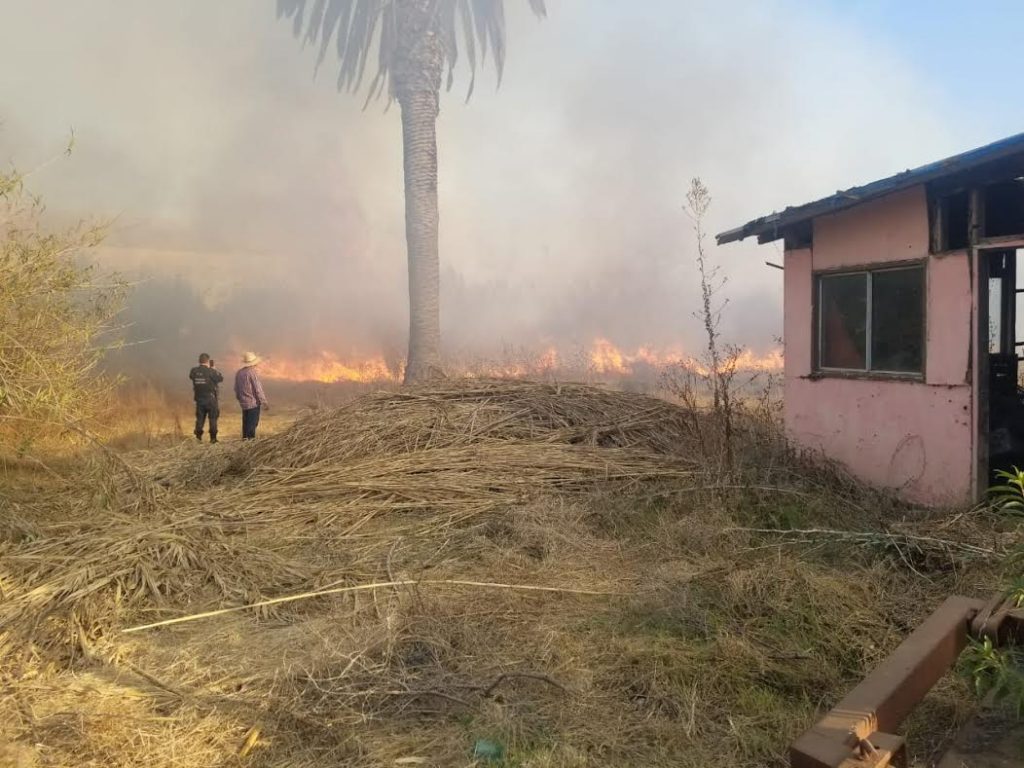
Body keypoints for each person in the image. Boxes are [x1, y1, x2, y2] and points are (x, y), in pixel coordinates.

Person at [189, 353, 223, 443]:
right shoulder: (211, 371)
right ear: (208, 361)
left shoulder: (194, 371)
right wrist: (214, 369)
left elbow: (191, 377)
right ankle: (213, 438)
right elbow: (220, 378)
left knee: (200, 418)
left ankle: (198, 438)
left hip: (199, 399)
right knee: (213, 418)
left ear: (199, 361)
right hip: (211, 399)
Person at [234, 351, 269, 440]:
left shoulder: (239, 373)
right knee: (252, 425)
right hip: (253, 404)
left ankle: (244, 442)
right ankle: (250, 443)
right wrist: (264, 402)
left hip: (244, 404)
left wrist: (240, 399)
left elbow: (236, 388)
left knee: (245, 425)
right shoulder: (252, 373)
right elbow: (258, 389)